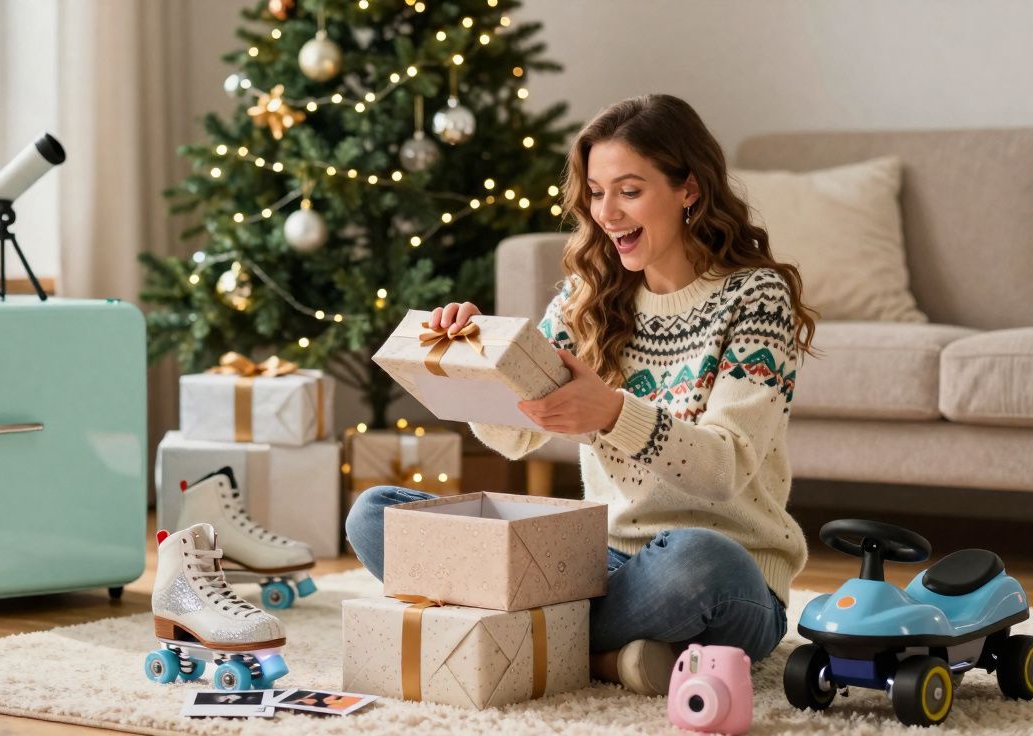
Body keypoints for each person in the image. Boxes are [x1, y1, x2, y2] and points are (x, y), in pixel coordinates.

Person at [345, 93, 819, 696]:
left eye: (629, 190)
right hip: (600, 564)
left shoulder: (754, 299)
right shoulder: (586, 297)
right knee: (377, 513)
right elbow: (515, 436)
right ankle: (606, 655)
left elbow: (726, 469)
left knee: (699, 560)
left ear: (689, 190)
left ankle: (522, 637)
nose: (607, 213)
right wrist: (475, 357)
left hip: (728, 575)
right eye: (596, 193)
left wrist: (613, 413)